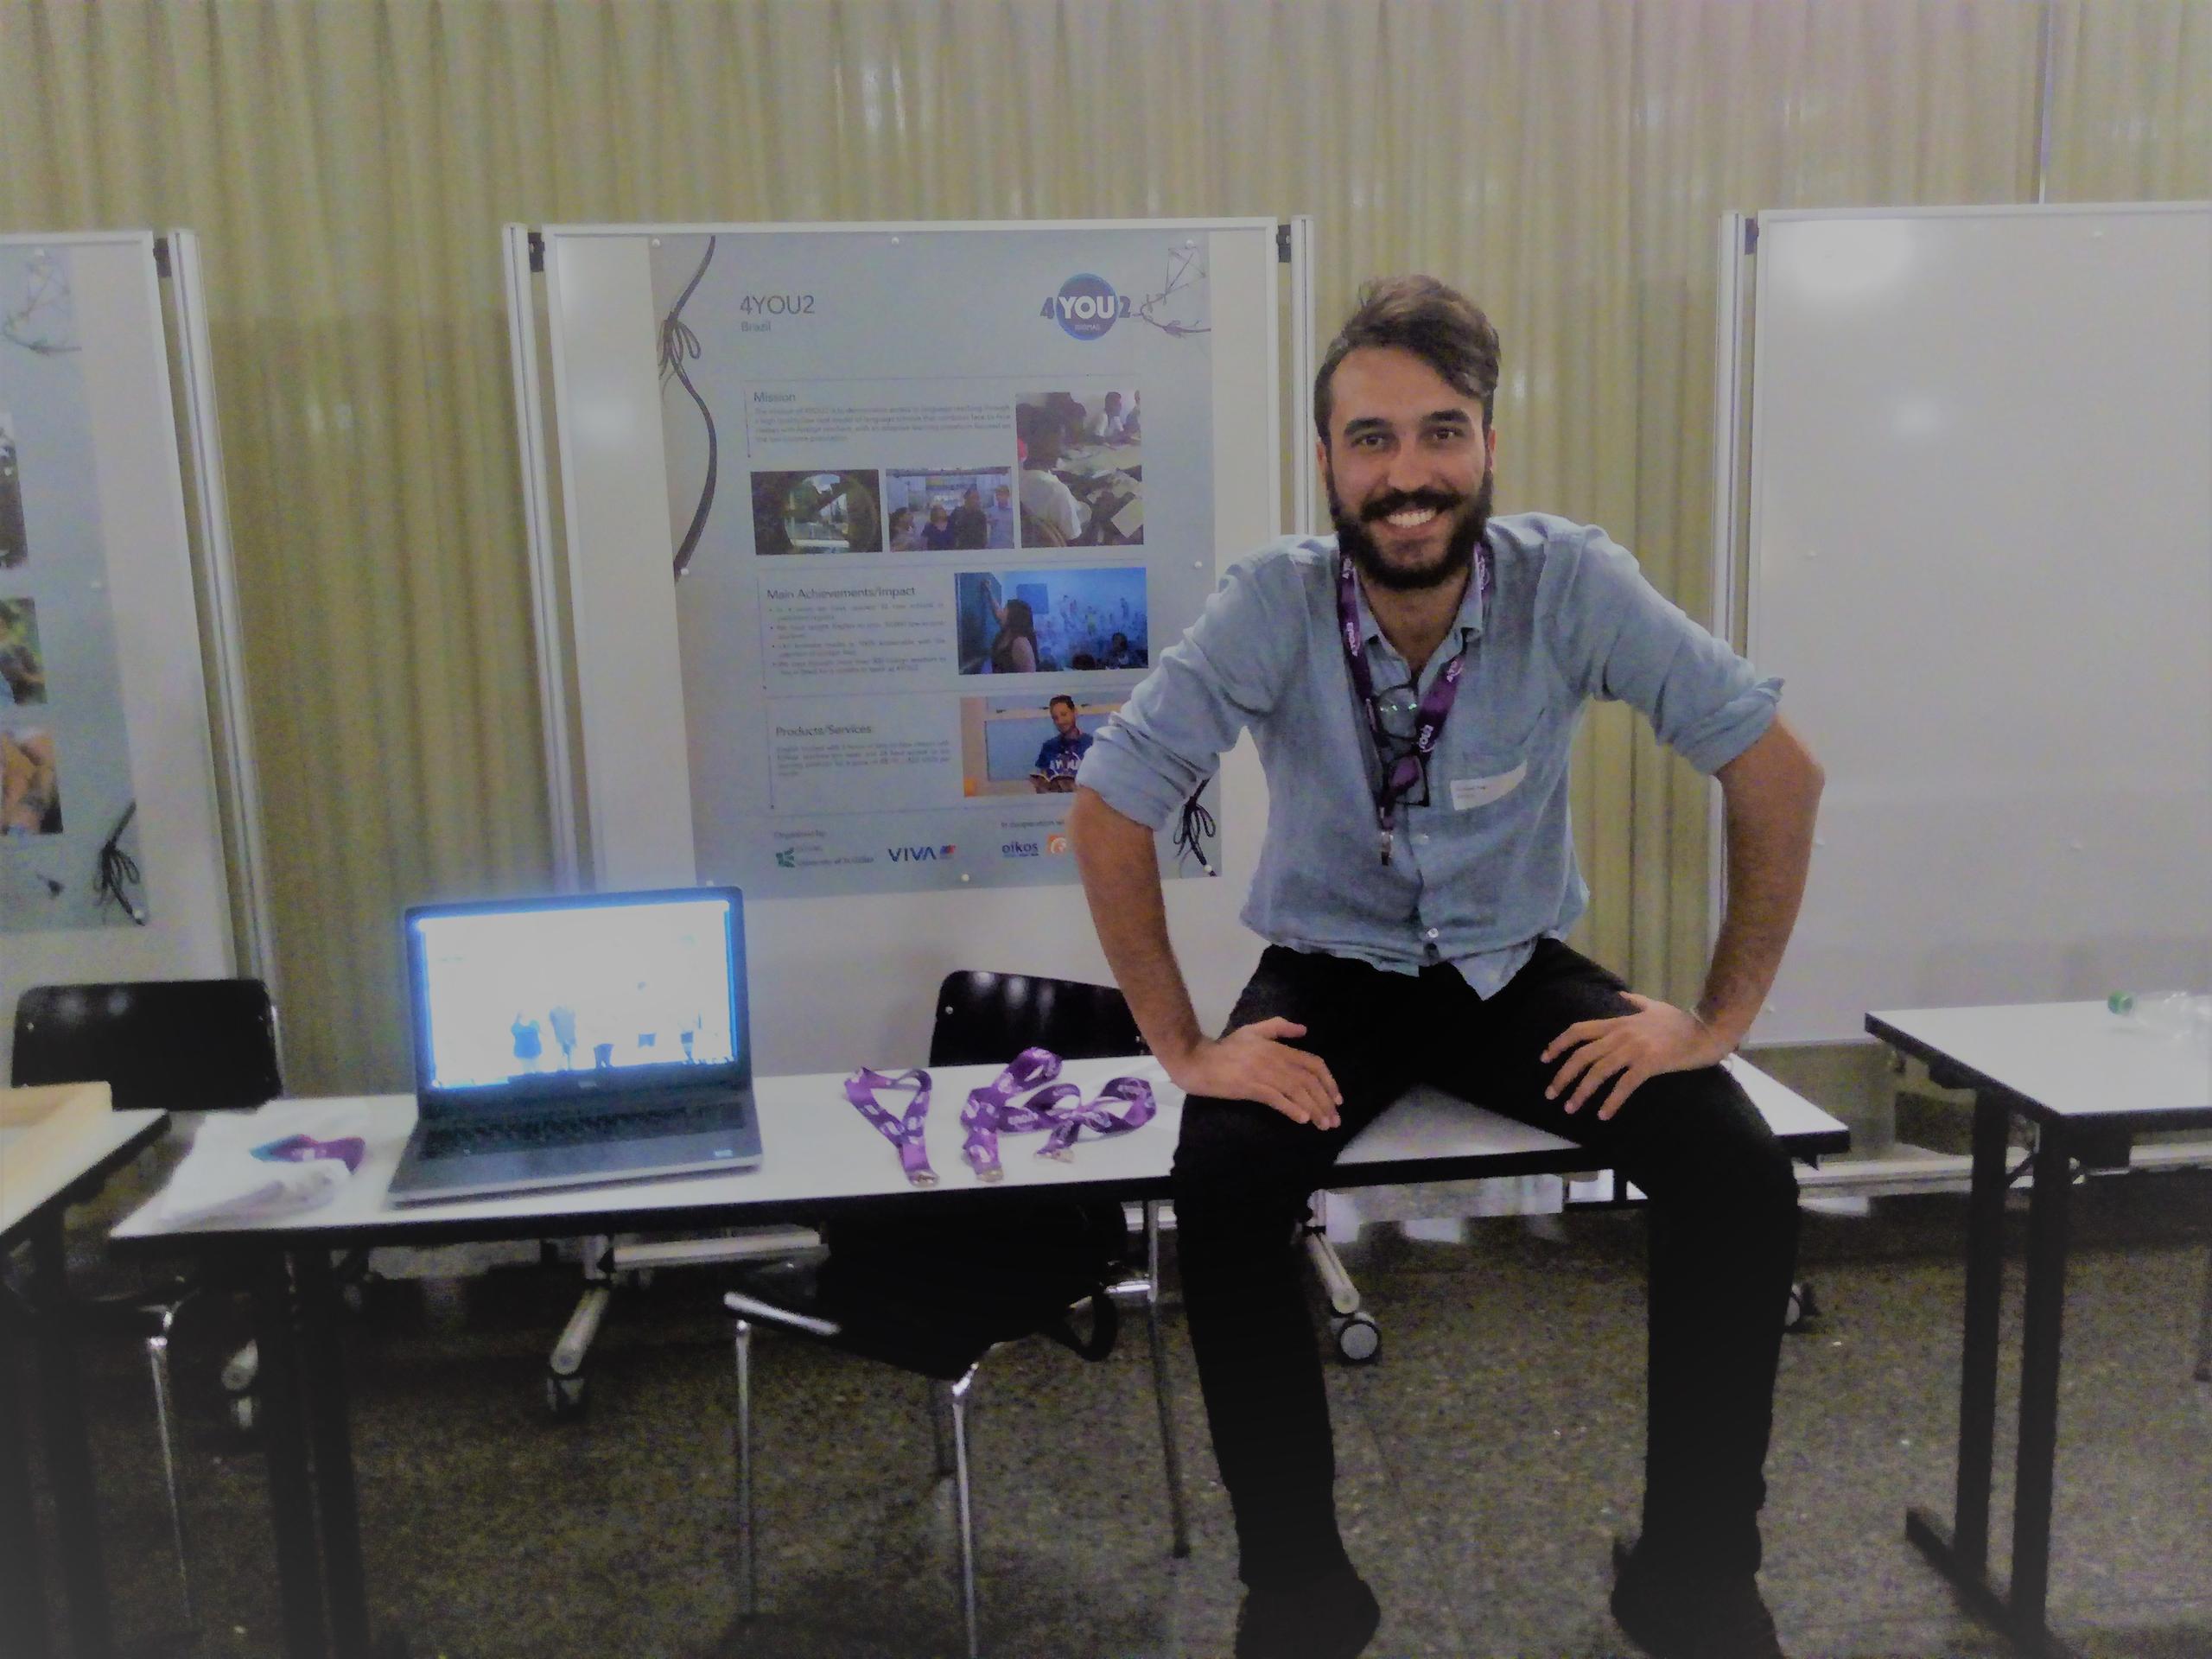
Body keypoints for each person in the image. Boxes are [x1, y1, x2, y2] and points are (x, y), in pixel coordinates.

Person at [1069, 276, 1823, 1659]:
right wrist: (1184, 1047)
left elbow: (1775, 770)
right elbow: (1109, 809)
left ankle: (1695, 1574)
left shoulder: (1570, 583)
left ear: (1486, 446)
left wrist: (1718, 1019)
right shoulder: (1270, 605)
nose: (1407, 475)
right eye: (1372, 440)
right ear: (1327, 462)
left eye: (1441, 432)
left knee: (1736, 1166)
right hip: (1330, 972)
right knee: (1224, 1187)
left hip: (1508, 971)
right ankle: (1298, 1587)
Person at [1017, 403, 1087, 545]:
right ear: (1043, 442)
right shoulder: (1057, 492)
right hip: (1084, 527)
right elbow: (1076, 541)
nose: (1062, 450)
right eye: (1061, 441)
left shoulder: (1019, 472)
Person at [1029, 694, 1092, 792]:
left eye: (1063, 714)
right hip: (1054, 804)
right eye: (1055, 718)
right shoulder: (1048, 747)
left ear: (1074, 712)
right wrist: (1042, 786)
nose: (1060, 721)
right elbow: (1041, 787)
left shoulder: (1091, 744)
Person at [987, 594, 1039, 674]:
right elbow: (997, 611)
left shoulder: (1021, 644)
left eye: (1004, 610)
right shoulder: (1006, 633)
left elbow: (1029, 679)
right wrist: (988, 591)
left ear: (1013, 616)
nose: (1001, 613)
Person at [950, 486, 990, 550]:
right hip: (960, 550)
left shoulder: (981, 515)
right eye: (973, 497)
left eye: (978, 498)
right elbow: (950, 531)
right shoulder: (957, 512)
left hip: (976, 550)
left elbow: (984, 536)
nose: (976, 501)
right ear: (966, 498)